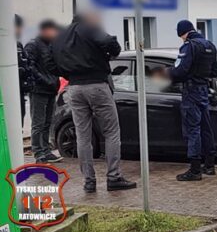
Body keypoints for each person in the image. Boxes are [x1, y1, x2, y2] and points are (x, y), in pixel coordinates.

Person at [51, 12, 136, 193]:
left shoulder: (59, 37)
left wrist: (68, 74)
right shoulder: (90, 29)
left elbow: (50, 62)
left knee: (83, 136)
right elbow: (110, 42)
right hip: (97, 84)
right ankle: (113, 177)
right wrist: (111, 53)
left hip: (74, 88)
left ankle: (89, 182)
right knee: (111, 131)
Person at [169, 20, 217, 181]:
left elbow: (180, 70)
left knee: (193, 130)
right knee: (206, 128)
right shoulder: (210, 45)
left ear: (182, 33)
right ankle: (209, 165)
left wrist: (168, 73)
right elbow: (214, 72)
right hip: (204, 91)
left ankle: (195, 170)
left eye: (180, 36)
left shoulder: (189, 46)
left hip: (191, 92)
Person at [25, 20, 63, 164]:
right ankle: (38, 153)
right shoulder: (33, 45)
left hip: (51, 88)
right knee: (38, 123)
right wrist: (44, 80)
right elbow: (30, 67)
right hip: (39, 89)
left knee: (48, 122)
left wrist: (55, 81)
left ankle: (46, 151)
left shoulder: (51, 45)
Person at [15, 14, 32, 127]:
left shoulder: (18, 45)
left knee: (19, 117)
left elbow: (27, 63)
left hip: (20, 89)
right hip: (9, 91)